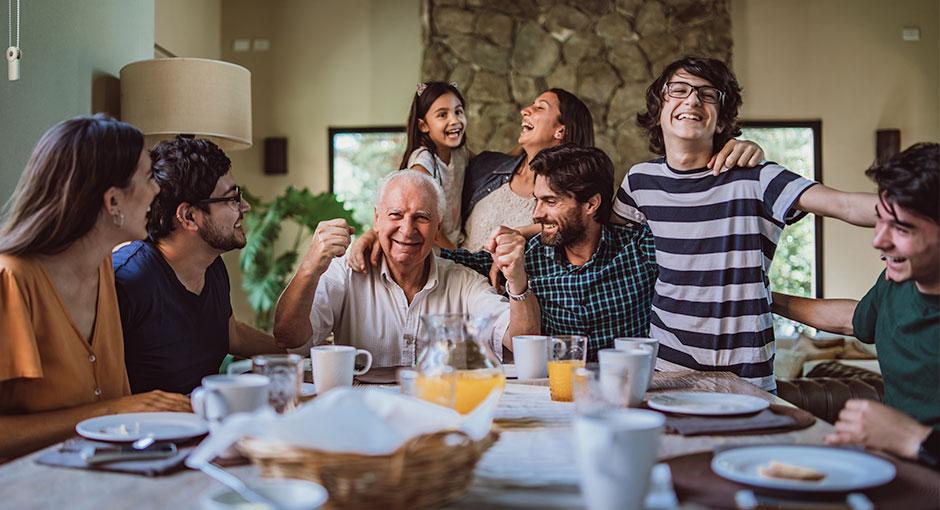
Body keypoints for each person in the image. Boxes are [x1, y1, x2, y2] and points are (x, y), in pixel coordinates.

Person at [612, 56, 878, 391]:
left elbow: (845, 205)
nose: (692, 100)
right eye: (678, 90)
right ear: (658, 110)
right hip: (667, 370)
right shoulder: (639, 182)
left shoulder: (758, 177)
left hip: (747, 377)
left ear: (721, 121)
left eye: (707, 95)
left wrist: (920, 209)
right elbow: (598, 236)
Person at [0, 115, 191, 459]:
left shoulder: (104, 266)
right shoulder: (10, 280)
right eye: (148, 177)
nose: (158, 189)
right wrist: (113, 411)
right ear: (113, 201)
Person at [772, 142, 938, 467]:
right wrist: (766, 299)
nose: (878, 240)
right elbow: (854, 318)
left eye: (901, 228)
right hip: (890, 469)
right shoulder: (896, 281)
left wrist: (915, 440)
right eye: (880, 220)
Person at [273, 170, 540, 366]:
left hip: (441, 417)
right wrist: (310, 266)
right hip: (364, 419)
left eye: (421, 217)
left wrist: (516, 278)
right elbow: (290, 339)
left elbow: (523, 344)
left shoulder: (464, 282)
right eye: (395, 215)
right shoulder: (345, 272)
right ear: (377, 220)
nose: (407, 229)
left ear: (438, 226)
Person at [445, 144, 659, 361]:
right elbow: (453, 260)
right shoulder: (526, 256)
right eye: (536, 200)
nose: (536, 214)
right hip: (552, 391)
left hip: (625, 388)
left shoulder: (638, 250)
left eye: (550, 201)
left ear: (591, 204)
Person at [114, 136, 283, 395]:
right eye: (232, 198)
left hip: (209, 423)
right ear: (189, 216)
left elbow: (230, 334)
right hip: (150, 431)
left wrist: (298, 353)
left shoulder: (211, 264)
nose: (245, 207)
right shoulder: (128, 279)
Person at [399, 81, 470, 249]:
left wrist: (524, 147)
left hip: (455, 245)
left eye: (458, 111)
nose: (454, 120)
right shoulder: (423, 161)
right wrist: (459, 257)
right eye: (442, 115)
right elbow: (424, 223)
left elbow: (493, 164)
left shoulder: (459, 154)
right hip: (432, 250)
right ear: (423, 125)